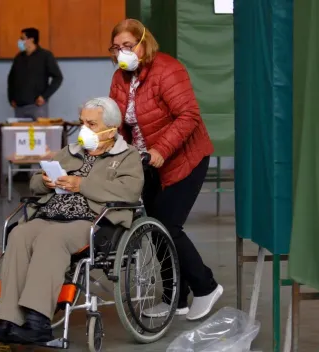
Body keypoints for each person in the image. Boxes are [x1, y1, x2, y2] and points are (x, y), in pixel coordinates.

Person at [0, 97, 144, 344]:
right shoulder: (70, 152)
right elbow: (35, 181)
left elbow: (129, 192)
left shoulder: (126, 156)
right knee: (19, 234)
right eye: (82, 123)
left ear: (111, 128)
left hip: (93, 220)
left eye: (92, 124)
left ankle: (37, 321)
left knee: (51, 239)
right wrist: (45, 181)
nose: (84, 129)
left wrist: (82, 184)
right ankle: (8, 319)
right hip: (51, 213)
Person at [109, 19, 223, 321]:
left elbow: (188, 115)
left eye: (128, 46)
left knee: (168, 225)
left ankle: (206, 287)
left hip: (185, 158)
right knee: (154, 229)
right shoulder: (120, 78)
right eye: (117, 48)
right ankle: (176, 297)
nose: (122, 53)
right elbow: (117, 120)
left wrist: (161, 150)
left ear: (145, 43)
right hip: (147, 163)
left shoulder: (167, 70)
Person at [8, 28, 63, 119]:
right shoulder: (19, 57)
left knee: (39, 133)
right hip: (19, 107)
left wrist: (44, 96)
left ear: (31, 39)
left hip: (37, 106)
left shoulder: (45, 56)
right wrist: (11, 98)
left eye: (22, 38)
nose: (20, 41)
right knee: (21, 133)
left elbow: (58, 77)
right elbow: (11, 79)